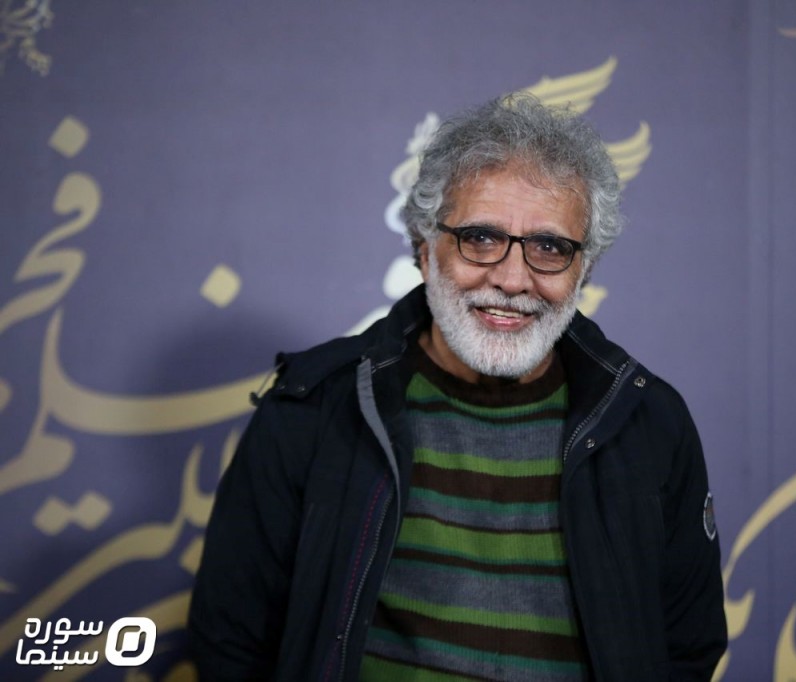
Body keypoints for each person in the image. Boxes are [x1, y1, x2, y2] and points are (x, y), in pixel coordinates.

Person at [188, 94, 727, 681]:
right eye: (481, 238)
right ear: (425, 251)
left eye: (550, 248)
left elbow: (687, 648)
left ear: (584, 271)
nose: (512, 279)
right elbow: (231, 641)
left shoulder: (650, 425)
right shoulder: (313, 407)